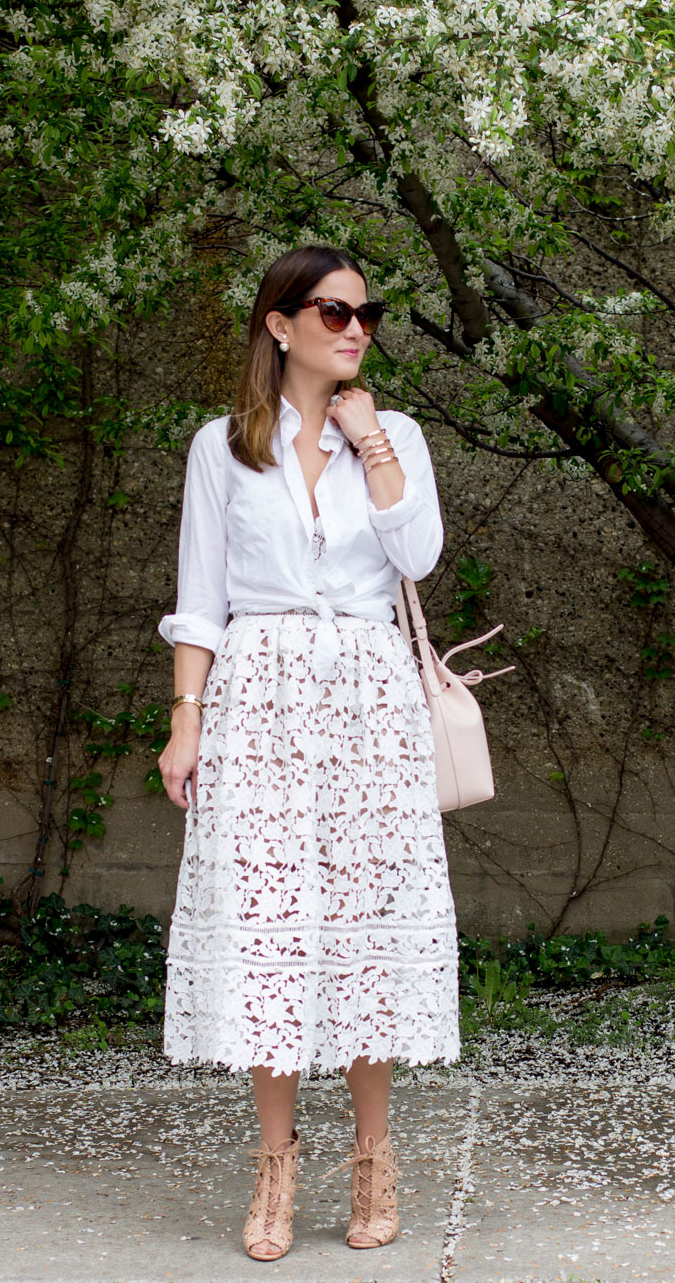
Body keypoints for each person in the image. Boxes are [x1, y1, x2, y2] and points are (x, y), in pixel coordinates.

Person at [156, 245, 460, 1262]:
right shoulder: (222, 446)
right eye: (332, 311)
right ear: (279, 324)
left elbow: (415, 556)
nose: (355, 327)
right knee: (269, 936)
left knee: (366, 933)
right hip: (263, 701)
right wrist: (185, 717)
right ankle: (276, 1168)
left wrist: (370, 441)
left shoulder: (399, 433)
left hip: (369, 701)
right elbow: (201, 595)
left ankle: (373, 1158)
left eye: (366, 312)